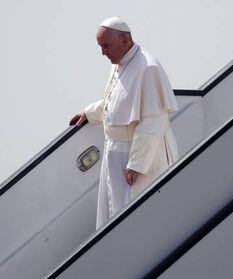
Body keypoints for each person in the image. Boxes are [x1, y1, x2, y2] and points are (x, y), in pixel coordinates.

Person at [70, 17, 179, 229]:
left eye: (106, 46)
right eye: (100, 47)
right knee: (114, 216)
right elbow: (116, 101)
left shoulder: (148, 68)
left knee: (138, 218)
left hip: (137, 159)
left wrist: (137, 164)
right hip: (115, 155)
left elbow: (153, 121)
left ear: (124, 40)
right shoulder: (119, 63)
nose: (103, 52)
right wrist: (90, 112)